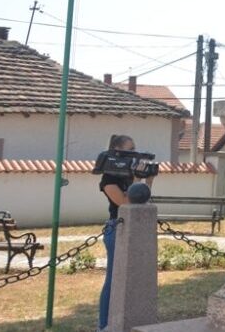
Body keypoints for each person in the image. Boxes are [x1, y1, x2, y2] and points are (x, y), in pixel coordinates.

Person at [98, 134, 150, 332]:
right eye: (130, 148)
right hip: (117, 228)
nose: (134, 152)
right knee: (113, 280)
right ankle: (104, 325)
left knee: (134, 280)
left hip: (135, 229)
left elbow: (143, 200)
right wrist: (137, 178)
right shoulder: (108, 178)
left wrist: (147, 180)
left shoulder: (130, 175)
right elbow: (125, 203)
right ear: (117, 151)